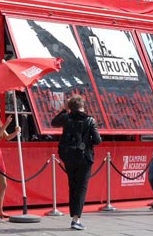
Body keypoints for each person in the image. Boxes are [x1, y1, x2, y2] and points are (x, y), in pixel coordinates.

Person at [51, 95, 101, 231]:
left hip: (68, 156)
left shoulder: (66, 118)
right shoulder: (90, 120)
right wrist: (86, 143)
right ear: (82, 106)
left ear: (70, 107)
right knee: (81, 188)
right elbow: (97, 140)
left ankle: (73, 214)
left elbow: (53, 123)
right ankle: (76, 219)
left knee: (72, 186)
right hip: (84, 157)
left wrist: (64, 110)